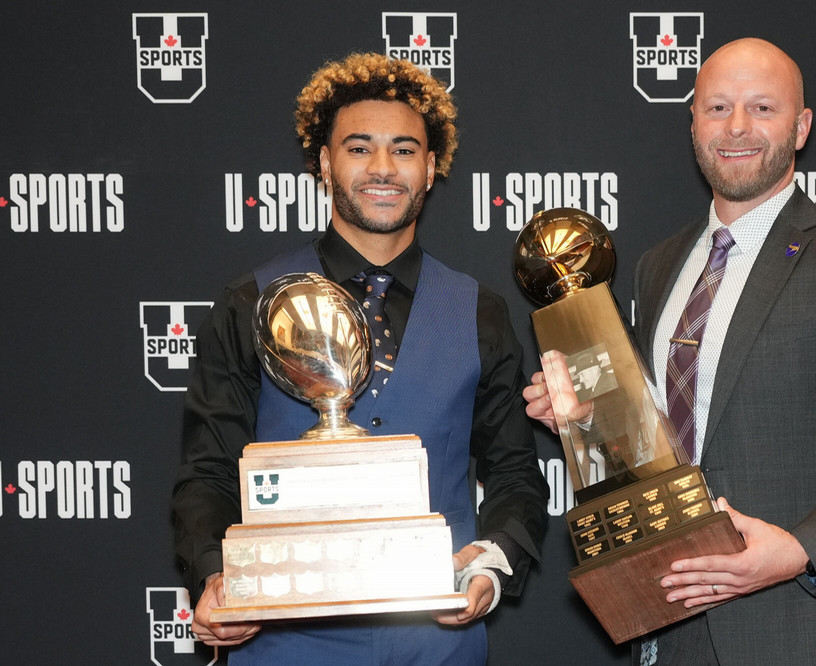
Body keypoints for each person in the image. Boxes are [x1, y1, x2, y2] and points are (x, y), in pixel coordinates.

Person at [524, 38, 816, 664]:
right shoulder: (659, 265)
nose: (737, 128)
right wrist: (586, 420)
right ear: (694, 121)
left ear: (801, 126)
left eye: (762, 108)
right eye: (718, 107)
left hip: (806, 631)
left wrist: (801, 549)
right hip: (671, 626)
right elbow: (661, 443)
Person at [173, 53, 548, 664]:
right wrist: (218, 579)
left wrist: (488, 562)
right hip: (281, 642)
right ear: (324, 163)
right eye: (358, 148)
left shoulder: (479, 311)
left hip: (438, 643)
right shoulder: (251, 302)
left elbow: (514, 475)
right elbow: (209, 469)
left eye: (403, 150)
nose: (382, 168)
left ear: (431, 168)